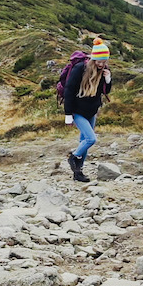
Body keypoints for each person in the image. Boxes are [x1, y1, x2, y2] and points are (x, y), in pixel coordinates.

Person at [62, 38, 113, 182]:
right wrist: (68, 114)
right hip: (78, 111)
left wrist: (108, 79)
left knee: (84, 140)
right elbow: (69, 90)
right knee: (91, 139)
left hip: (92, 110)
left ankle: (78, 172)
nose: (102, 64)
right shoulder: (80, 69)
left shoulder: (104, 70)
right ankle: (73, 157)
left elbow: (105, 90)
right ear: (94, 59)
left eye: (104, 62)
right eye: (99, 61)